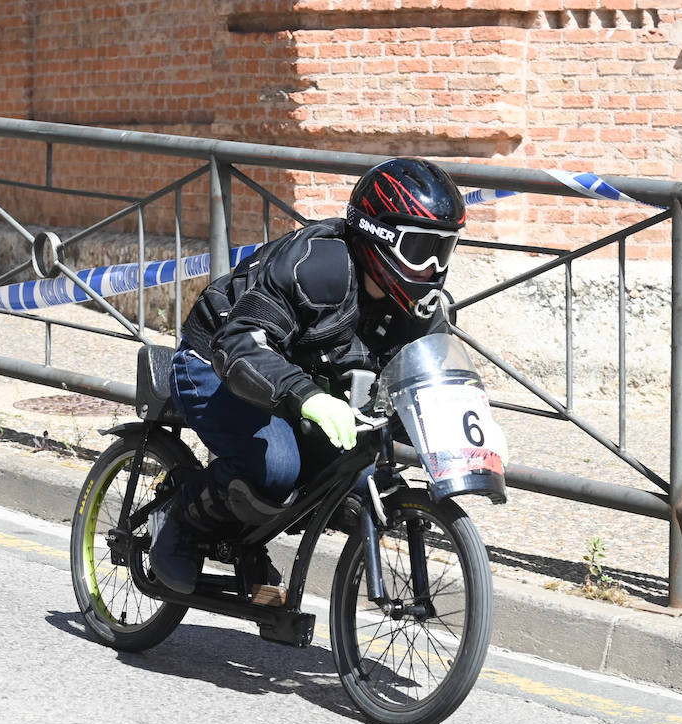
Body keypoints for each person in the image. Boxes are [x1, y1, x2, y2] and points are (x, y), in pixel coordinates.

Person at [150, 156, 467, 594]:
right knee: (278, 467)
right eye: (420, 250)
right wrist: (309, 397)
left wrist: (465, 428)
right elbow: (239, 345)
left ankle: (243, 541)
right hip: (216, 362)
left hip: (296, 381)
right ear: (379, 237)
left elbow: (429, 379)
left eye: (443, 250)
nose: (432, 268)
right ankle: (182, 518)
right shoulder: (317, 266)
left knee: (356, 482)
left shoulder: (420, 305)